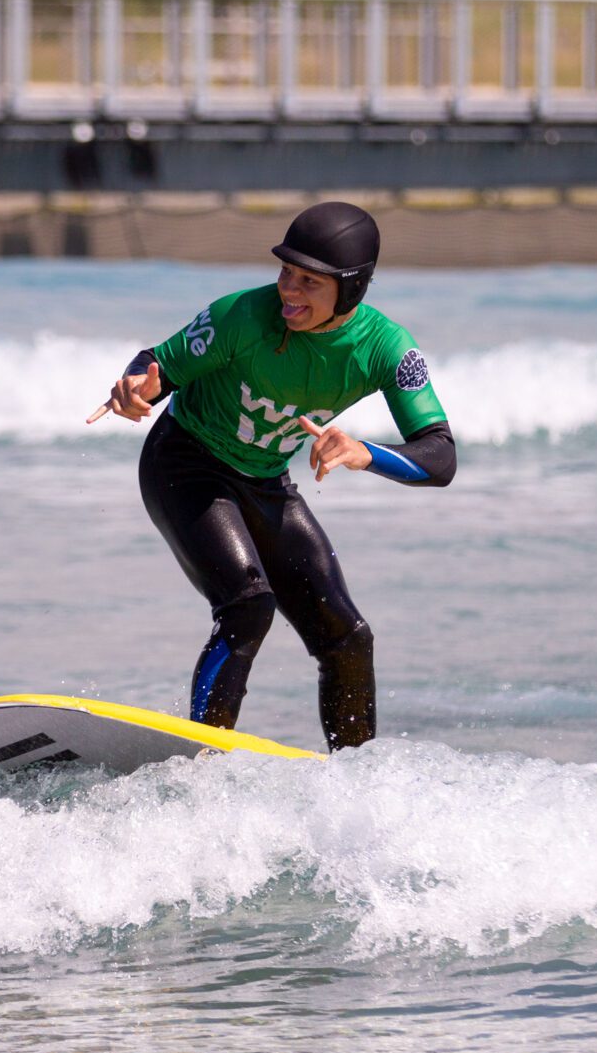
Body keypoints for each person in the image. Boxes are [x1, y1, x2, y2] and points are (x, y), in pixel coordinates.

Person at [88, 202, 456, 750]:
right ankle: (200, 760)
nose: (290, 290)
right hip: (185, 464)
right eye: (286, 271)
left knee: (349, 638)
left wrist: (364, 452)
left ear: (351, 290)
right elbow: (156, 366)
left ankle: (357, 785)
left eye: (310, 281)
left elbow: (440, 457)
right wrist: (132, 388)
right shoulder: (241, 316)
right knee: (248, 604)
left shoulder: (386, 348)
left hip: (264, 483)